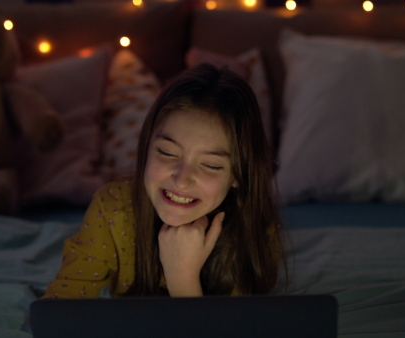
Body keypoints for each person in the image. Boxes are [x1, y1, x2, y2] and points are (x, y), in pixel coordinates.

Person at [43, 63, 284, 298]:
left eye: (211, 165)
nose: (181, 181)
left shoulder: (254, 227)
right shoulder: (113, 208)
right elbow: (60, 309)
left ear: (238, 176)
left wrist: (182, 277)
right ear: (147, 146)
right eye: (167, 153)